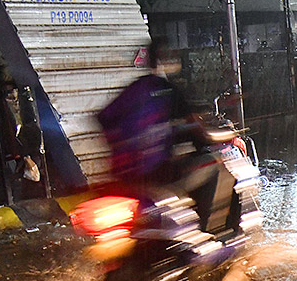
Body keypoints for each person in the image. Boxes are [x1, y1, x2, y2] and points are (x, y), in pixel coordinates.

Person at [97, 38, 232, 231]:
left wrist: (120, 149)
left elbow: (103, 117)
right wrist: (225, 136)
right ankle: (210, 232)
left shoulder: (135, 89)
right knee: (216, 163)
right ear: (164, 60)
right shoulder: (168, 91)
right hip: (158, 174)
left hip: (123, 178)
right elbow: (200, 132)